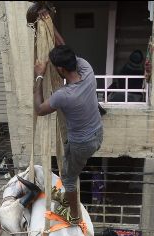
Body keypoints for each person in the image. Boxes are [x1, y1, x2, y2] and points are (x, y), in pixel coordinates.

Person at [34, 43, 103, 224]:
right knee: (72, 161)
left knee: (69, 179)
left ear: (60, 69)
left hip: (82, 143)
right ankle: (69, 201)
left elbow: (39, 109)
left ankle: (74, 217)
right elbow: (66, 48)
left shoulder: (63, 95)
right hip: (97, 134)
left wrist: (39, 75)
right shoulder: (87, 69)